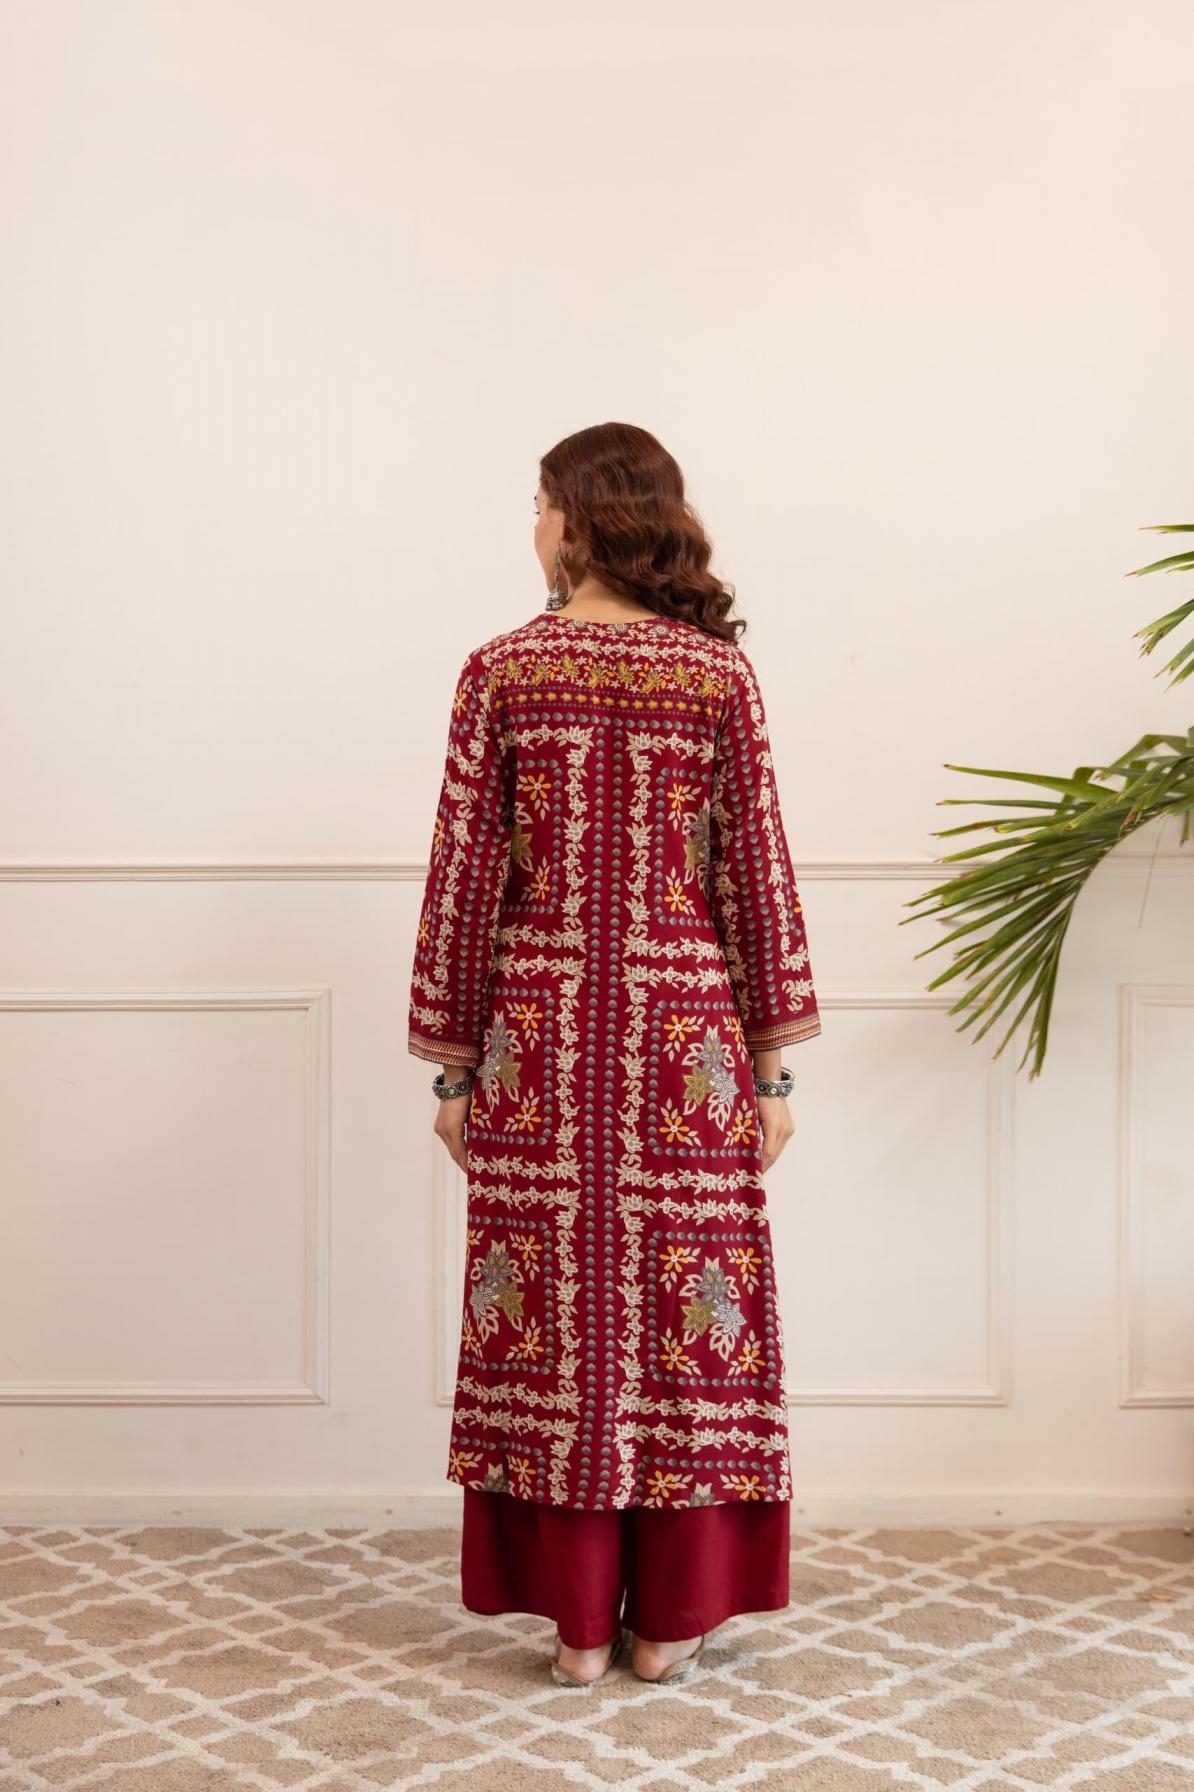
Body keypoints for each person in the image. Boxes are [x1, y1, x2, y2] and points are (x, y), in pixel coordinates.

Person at [407, 421, 821, 1689]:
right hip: (680, 1039)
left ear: (580, 518)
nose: (530, 525)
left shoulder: (500, 670)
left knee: (550, 1314)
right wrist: (772, 1071)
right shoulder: (715, 675)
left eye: (540, 503)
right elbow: (755, 873)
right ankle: (669, 1620)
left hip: (539, 1037)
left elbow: (464, 879)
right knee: (689, 1315)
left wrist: (455, 1069)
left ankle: (578, 1626)